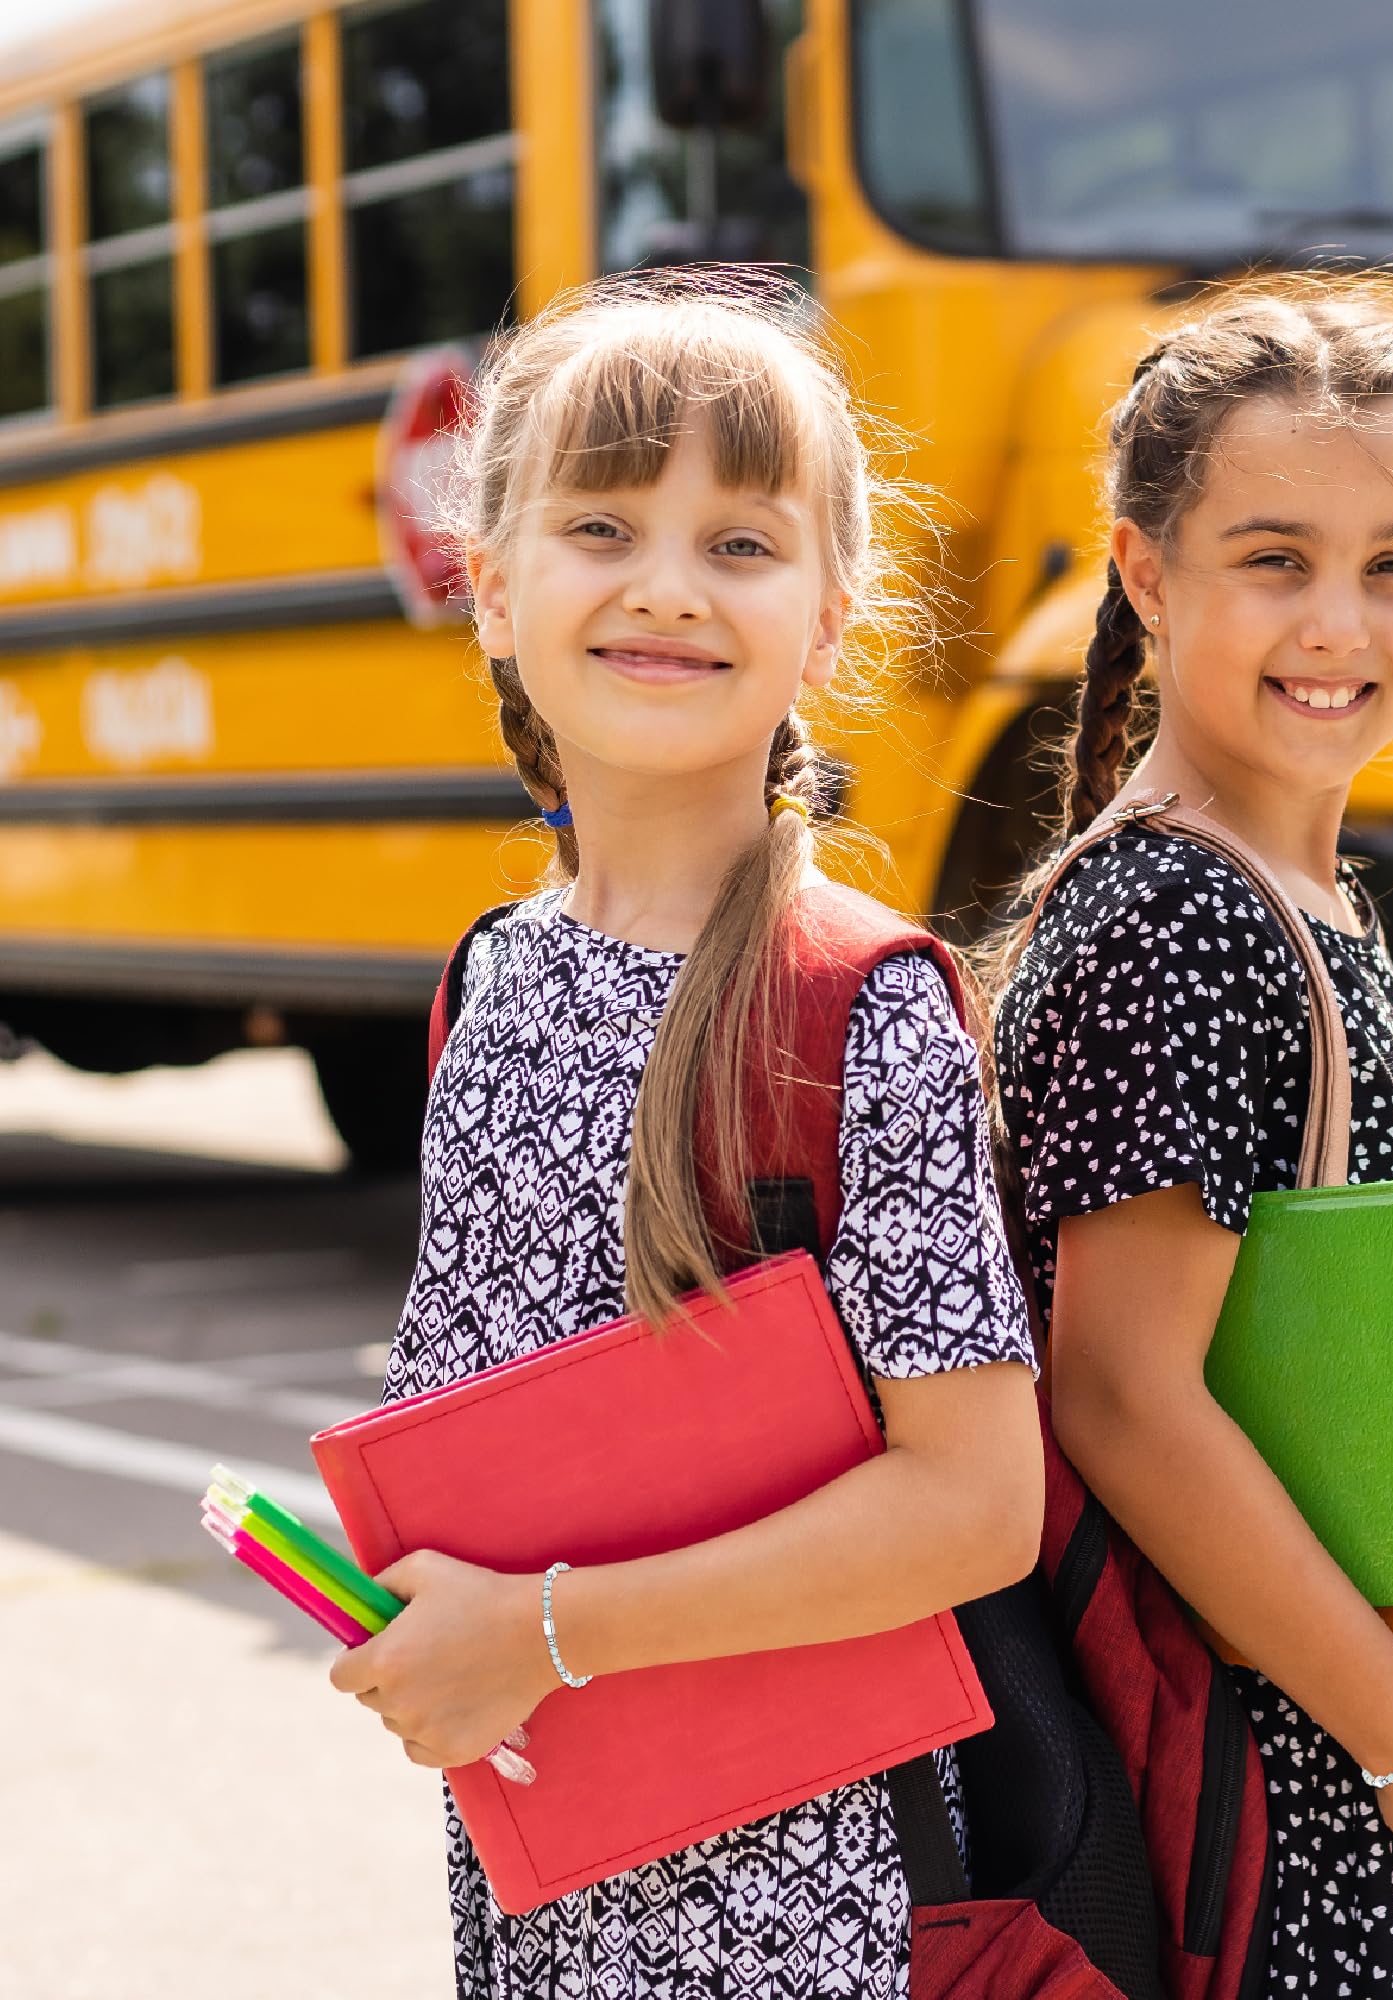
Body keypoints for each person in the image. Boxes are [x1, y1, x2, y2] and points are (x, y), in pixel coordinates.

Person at [330, 273, 1042, 2000]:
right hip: (546, 1877)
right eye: (601, 524)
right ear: (491, 588)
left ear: (832, 609)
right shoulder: (492, 980)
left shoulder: (859, 1009)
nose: (665, 585)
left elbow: (976, 1504)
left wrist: (548, 1634)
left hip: (818, 1912)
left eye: (740, 542)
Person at [990, 283, 1393, 1996]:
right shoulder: (1178, 918)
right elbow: (1124, 1395)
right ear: (1145, 572)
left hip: (1379, 1773)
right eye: (1274, 558)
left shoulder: (1291, 902)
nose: (1340, 620)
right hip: (1306, 1826)